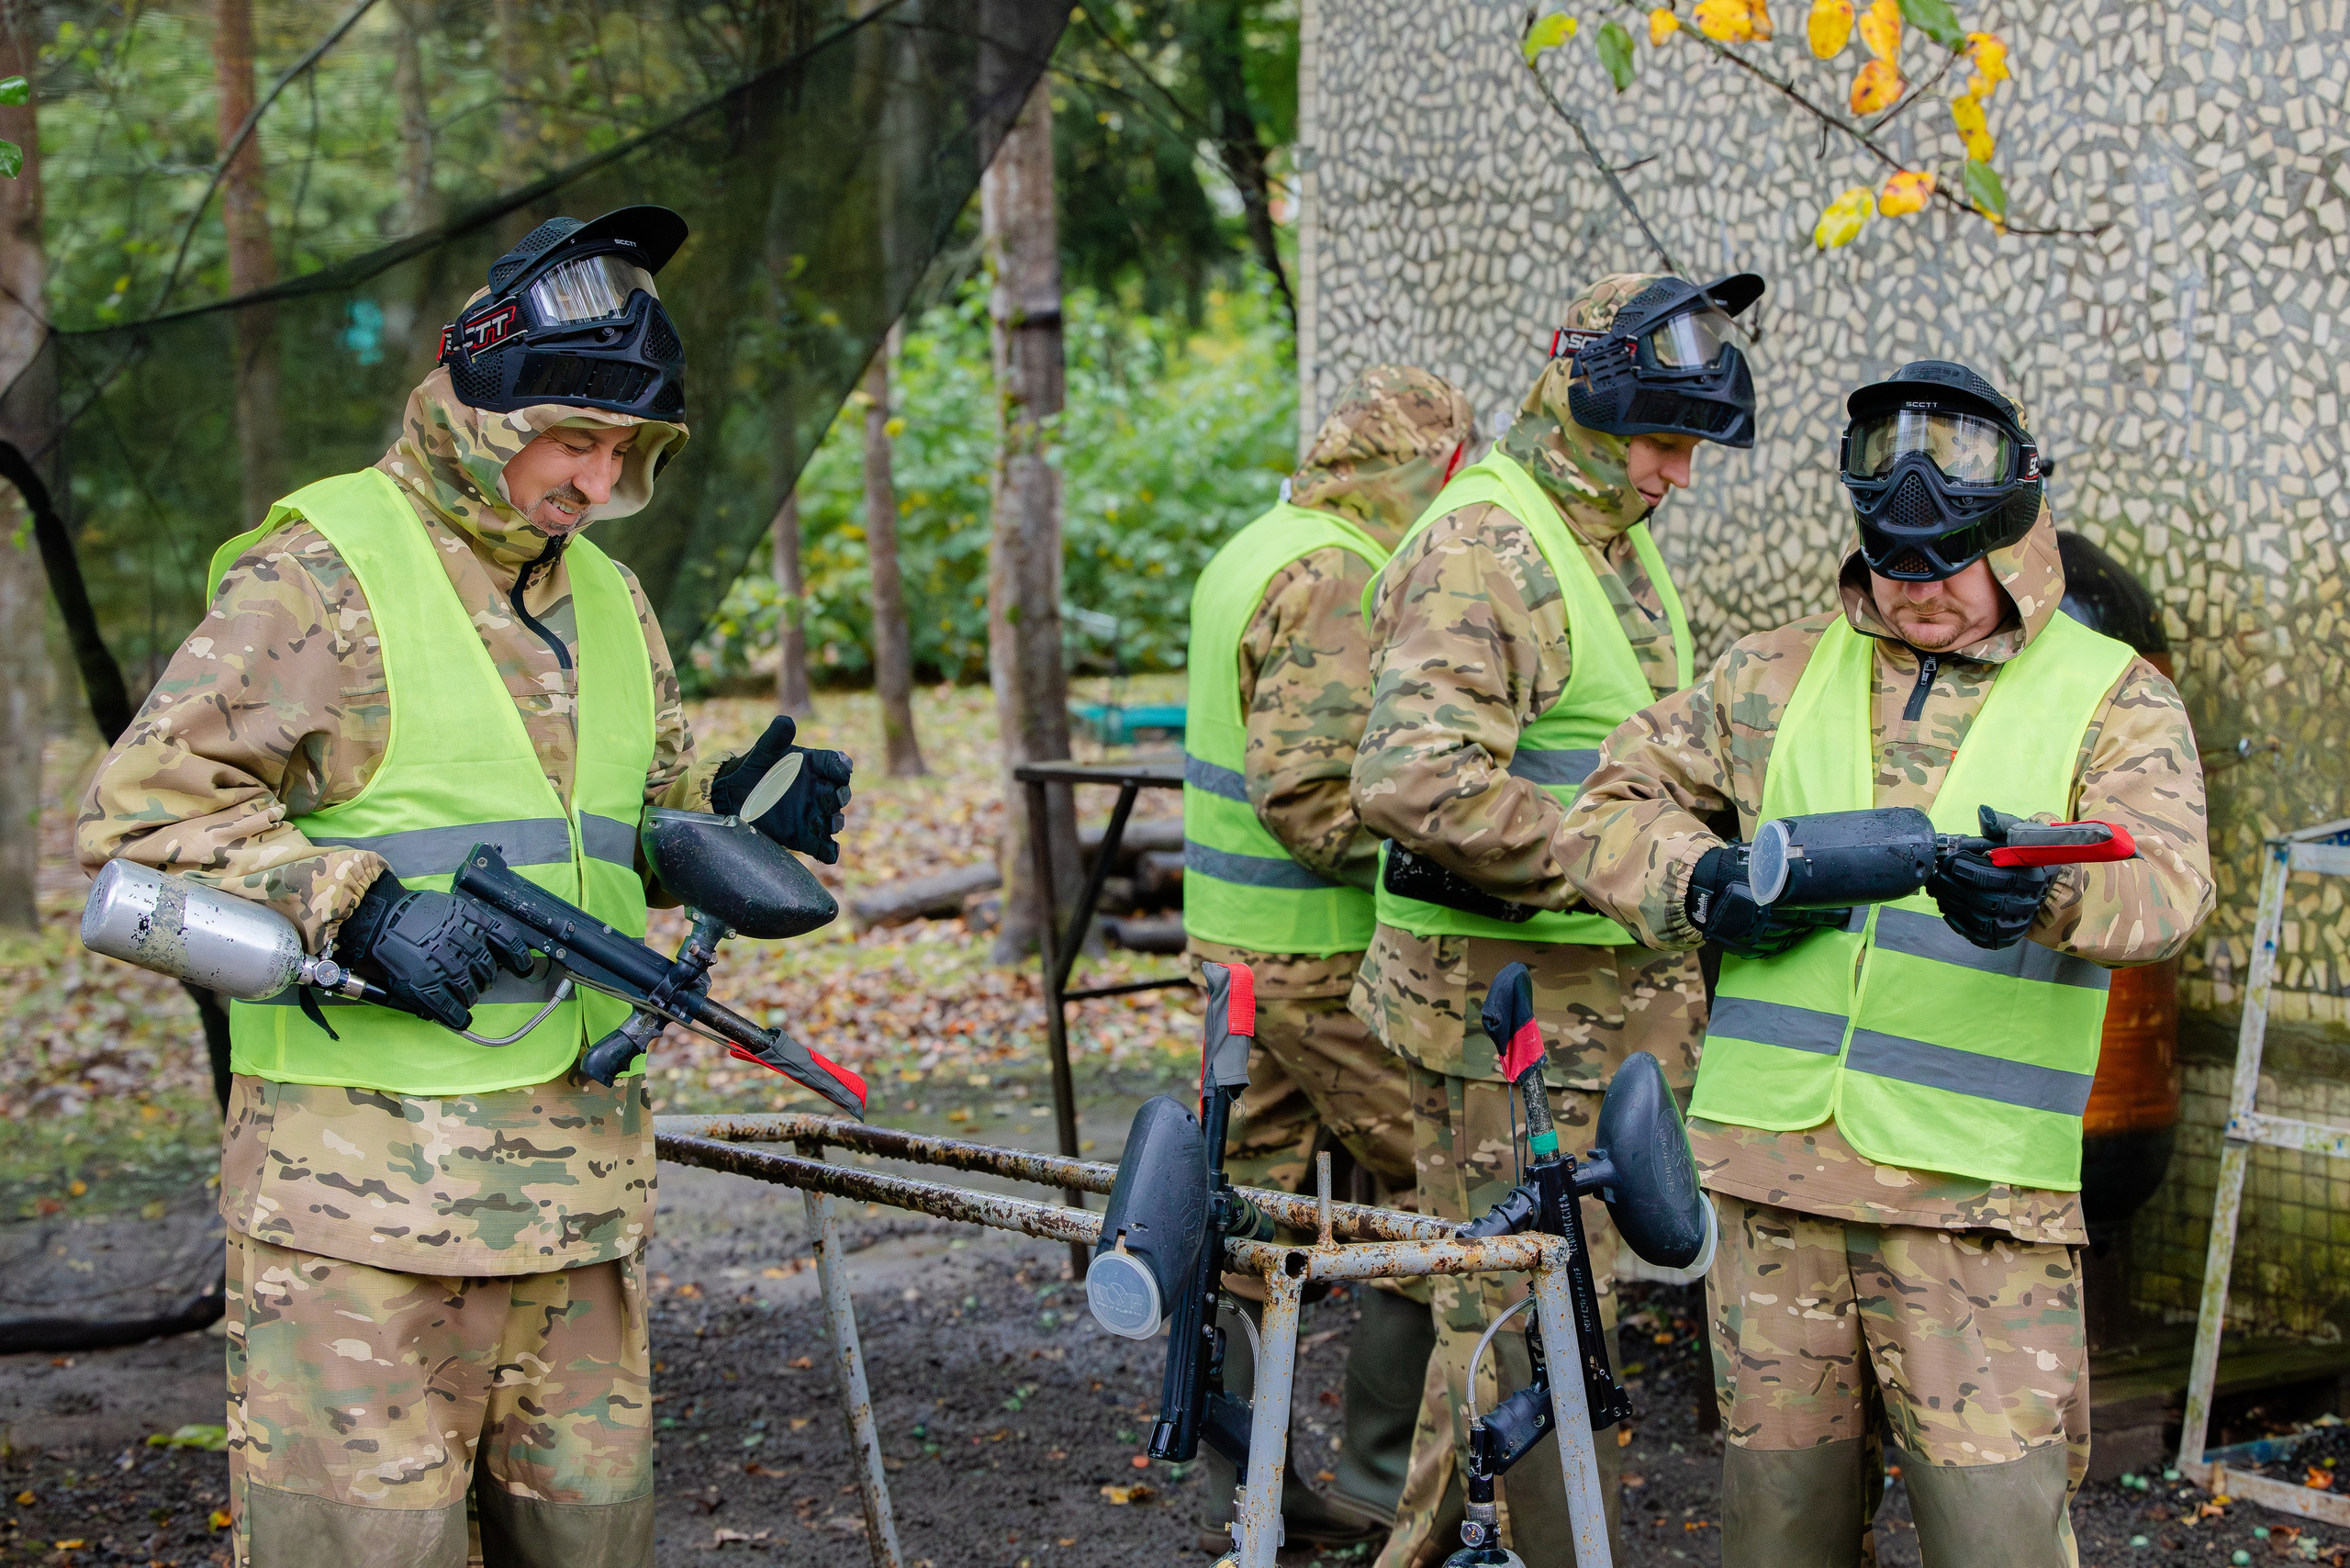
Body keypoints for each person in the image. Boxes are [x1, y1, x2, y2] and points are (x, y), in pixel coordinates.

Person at [77, 207, 856, 1568]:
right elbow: (142, 816)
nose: (594, 479)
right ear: (488, 415)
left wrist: (729, 808)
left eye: (624, 452)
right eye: (571, 441)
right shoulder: (321, 574)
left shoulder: (608, 597)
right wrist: (359, 908)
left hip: (576, 1205)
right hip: (360, 1224)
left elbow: (636, 805)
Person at [1554, 360, 2214, 1567]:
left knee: (1997, 1543)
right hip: (1771, 1200)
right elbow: (1608, 809)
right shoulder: (1770, 676)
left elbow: (2169, 889)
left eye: (1947, 566)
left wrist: (2048, 893)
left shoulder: (2109, 699)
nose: (1919, 595)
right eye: (1895, 566)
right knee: (1778, 1538)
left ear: (2015, 538)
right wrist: (1696, 882)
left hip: (1977, 1224)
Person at [1348, 271, 1764, 1566]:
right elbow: (1414, 778)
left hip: (1588, 1018)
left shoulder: (1602, 538)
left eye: (1692, 449)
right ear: (1585, 411)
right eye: (1663, 446)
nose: (1680, 478)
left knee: (1514, 1318)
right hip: (1502, 1026)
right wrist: (1643, 862)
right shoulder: (1492, 546)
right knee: (1506, 1332)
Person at [1181, 364, 1476, 1548]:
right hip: (1315, 961)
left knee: (1247, 1225)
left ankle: (1243, 1507)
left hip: (1240, 960)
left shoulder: (1257, 543)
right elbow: (1311, 792)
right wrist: (1456, 862)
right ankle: (1371, 1487)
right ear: (1433, 470)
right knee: (1436, 1197)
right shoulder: (1340, 574)